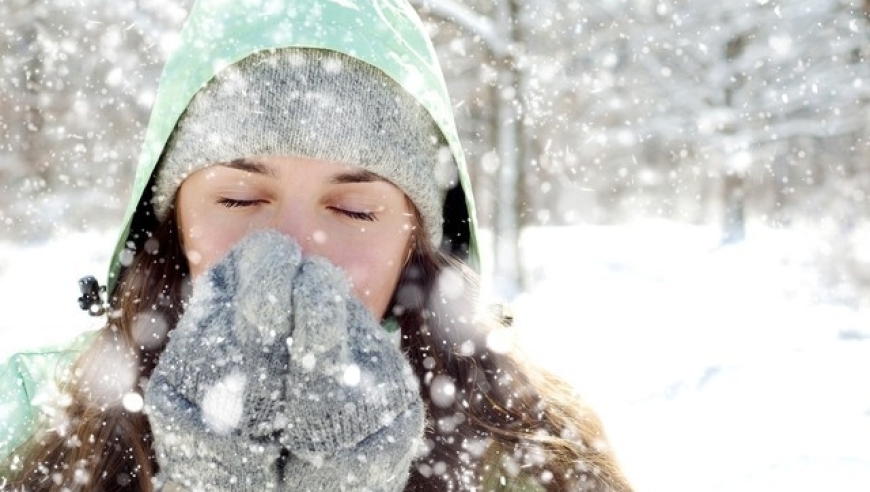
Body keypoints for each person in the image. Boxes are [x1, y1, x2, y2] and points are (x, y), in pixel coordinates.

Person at [0, 0, 634, 490]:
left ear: (416, 244)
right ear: (172, 226)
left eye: (355, 209)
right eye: (240, 200)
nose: (293, 246)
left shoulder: (534, 452)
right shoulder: (29, 419)